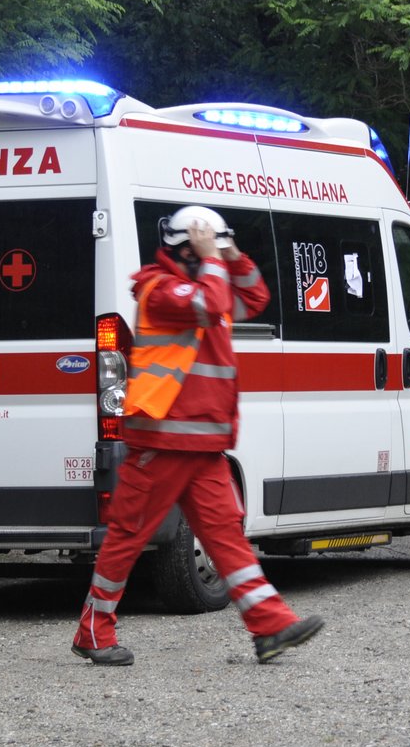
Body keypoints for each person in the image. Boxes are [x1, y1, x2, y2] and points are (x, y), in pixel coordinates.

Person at [72, 206, 324, 666]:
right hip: (163, 439)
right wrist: (213, 259)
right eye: (206, 249)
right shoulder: (158, 287)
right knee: (129, 534)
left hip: (202, 443)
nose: (215, 259)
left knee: (227, 537)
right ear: (186, 250)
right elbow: (210, 305)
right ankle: (94, 629)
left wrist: (231, 251)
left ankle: (270, 627)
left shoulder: (209, 281)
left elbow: (255, 299)